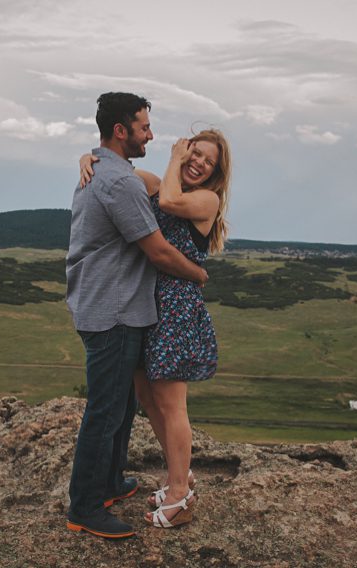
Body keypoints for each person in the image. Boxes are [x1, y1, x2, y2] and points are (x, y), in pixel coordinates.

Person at [62, 92, 208, 539]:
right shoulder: (119, 182)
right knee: (106, 410)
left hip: (113, 306)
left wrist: (89, 155)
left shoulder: (108, 171)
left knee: (124, 404)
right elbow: (159, 250)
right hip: (115, 312)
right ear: (121, 131)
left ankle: (108, 482)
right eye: (145, 126)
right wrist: (199, 274)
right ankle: (85, 507)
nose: (151, 133)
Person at [79, 130, 232, 528]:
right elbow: (123, 175)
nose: (197, 162)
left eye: (206, 161)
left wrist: (176, 158)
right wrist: (87, 158)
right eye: (193, 153)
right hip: (147, 303)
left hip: (176, 308)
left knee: (171, 403)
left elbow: (166, 200)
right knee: (147, 396)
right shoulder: (166, 181)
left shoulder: (206, 199)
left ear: (217, 173)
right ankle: (179, 476)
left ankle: (180, 494)